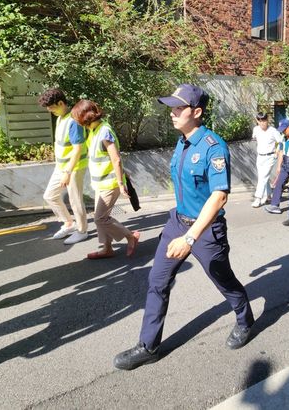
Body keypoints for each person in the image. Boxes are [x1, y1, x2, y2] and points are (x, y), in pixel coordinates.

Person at [113, 84, 254, 370]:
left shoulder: (213, 147)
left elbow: (219, 196)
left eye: (179, 108)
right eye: (172, 107)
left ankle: (245, 319)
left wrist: (190, 238)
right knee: (157, 281)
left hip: (205, 232)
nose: (172, 113)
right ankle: (148, 345)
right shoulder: (183, 142)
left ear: (197, 112)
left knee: (223, 280)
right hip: (177, 222)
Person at [71, 100, 140, 259]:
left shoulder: (104, 132)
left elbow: (116, 159)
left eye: (78, 119)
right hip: (101, 183)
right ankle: (107, 249)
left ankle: (130, 236)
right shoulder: (95, 130)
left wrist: (121, 184)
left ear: (85, 117)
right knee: (100, 218)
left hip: (110, 183)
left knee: (100, 218)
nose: (78, 123)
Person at [39, 88, 89, 244]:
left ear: (60, 103)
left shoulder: (74, 121)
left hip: (74, 167)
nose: (51, 111)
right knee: (49, 196)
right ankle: (69, 223)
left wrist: (67, 172)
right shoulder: (61, 118)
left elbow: (78, 148)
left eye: (52, 108)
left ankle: (82, 231)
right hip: (61, 167)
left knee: (75, 200)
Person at [265, 118, 289, 215]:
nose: (283, 131)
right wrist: (279, 166)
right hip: (285, 163)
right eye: (281, 129)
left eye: (284, 129)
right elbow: (281, 152)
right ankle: (275, 205)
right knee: (279, 183)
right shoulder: (283, 138)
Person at [251, 112, 282, 208]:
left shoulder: (273, 131)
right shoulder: (256, 129)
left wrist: (277, 150)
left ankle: (258, 198)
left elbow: (281, 142)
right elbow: (254, 138)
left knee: (263, 177)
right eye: (260, 121)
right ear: (257, 121)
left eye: (264, 121)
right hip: (260, 157)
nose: (263, 123)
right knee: (263, 177)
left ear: (267, 120)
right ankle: (268, 195)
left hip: (270, 157)